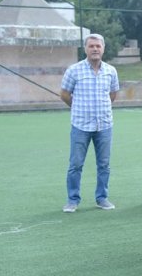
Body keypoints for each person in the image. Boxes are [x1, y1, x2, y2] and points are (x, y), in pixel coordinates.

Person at [60, 33, 119, 213]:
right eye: (91, 46)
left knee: (104, 165)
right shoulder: (74, 70)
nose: (95, 49)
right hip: (80, 126)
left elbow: (113, 95)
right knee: (76, 164)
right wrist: (77, 107)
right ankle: (72, 200)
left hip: (104, 125)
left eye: (98, 46)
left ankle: (102, 198)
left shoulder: (111, 71)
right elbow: (64, 94)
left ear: (103, 48)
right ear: (85, 48)